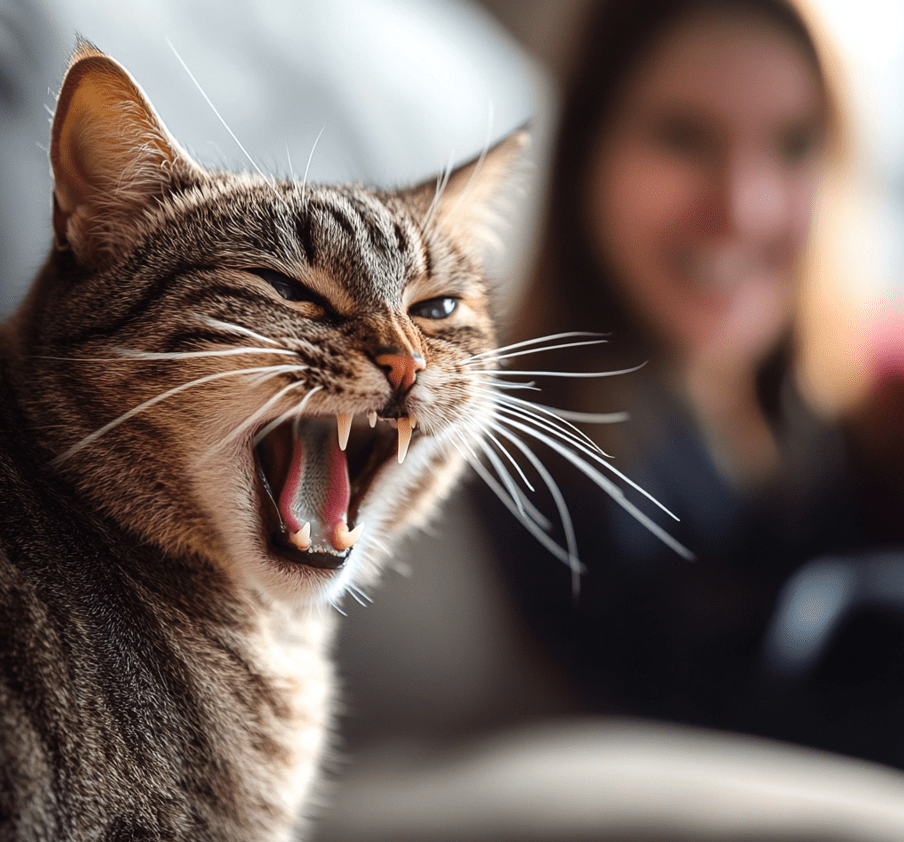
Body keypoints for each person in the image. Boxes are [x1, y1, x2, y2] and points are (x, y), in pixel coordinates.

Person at [479, 0, 904, 770]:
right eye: (683, 136)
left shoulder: (834, 404)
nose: (744, 206)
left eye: (794, 144)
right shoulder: (537, 433)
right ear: (587, 153)